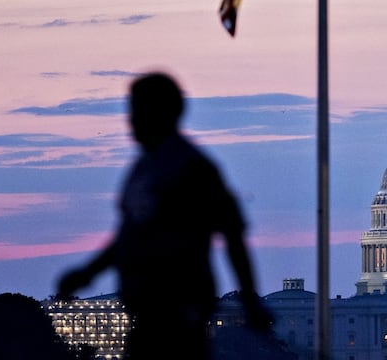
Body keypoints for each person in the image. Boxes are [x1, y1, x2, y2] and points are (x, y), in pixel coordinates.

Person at [56, 72, 272, 359]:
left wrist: (249, 300)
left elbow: (233, 235)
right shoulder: (143, 169)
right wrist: (88, 272)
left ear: (164, 113)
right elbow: (128, 235)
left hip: (179, 311)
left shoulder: (193, 168)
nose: (130, 121)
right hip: (146, 310)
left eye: (138, 111)